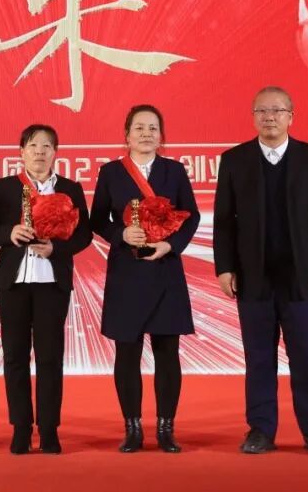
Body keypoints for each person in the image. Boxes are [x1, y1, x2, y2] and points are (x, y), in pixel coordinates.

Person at [213, 86, 308, 456]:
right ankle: (260, 429)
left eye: (277, 110)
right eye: (262, 111)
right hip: (252, 276)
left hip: (302, 277)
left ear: (290, 116)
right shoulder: (235, 160)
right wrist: (225, 267)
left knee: (306, 356)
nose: (270, 117)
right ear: (253, 117)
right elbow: (224, 221)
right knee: (258, 358)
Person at [91, 104, 200, 453]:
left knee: (168, 353)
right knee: (127, 353)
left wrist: (171, 245)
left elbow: (192, 217)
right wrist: (121, 234)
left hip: (165, 269)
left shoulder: (174, 171)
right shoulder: (111, 172)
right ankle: (133, 428)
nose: (146, 134)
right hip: (127, 272)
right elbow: (97, 220)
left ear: (161, 135)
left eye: (153, 128)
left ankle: (166, 428)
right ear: (127, 135)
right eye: (139, 128)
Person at [0, 124, 93, 455]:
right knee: (15, 356)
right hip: (13, 283)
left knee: (49, 358)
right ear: (21, 152)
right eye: (33, 146)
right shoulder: (5, 187)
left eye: (47, 146)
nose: (40, 152)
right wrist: (10, 233)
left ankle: (48, 429)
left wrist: (56, 249)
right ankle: (20, 428)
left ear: (55, 152)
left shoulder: (70, 189)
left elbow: (84, 234)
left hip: (52, 283)